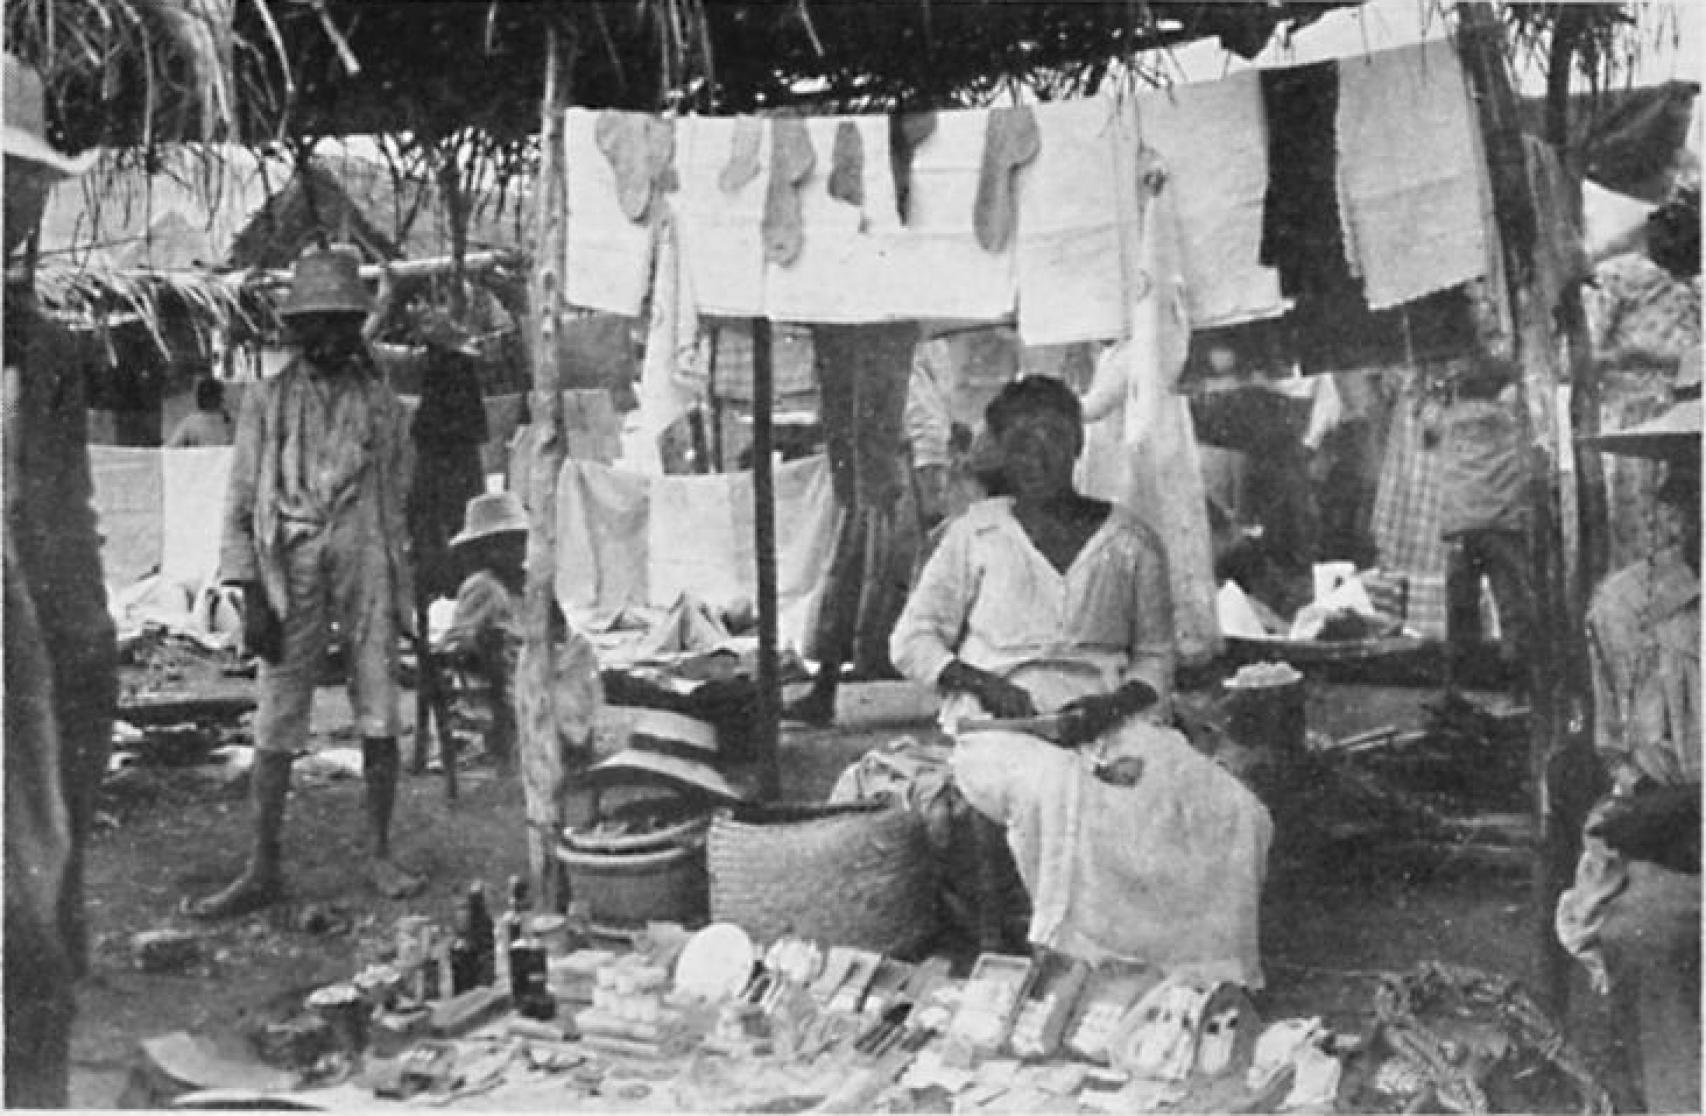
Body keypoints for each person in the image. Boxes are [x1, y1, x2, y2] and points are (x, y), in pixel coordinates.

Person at [890, 376, 1272, 984]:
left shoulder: (1131, 541)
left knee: (1229, 808)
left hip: (1108, 723)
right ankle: (1075, 964)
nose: (1037, 455)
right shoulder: (975, 534)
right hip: (1001, 734)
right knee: (1057, 791)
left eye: (1053, 437)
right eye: (1020, 442)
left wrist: (1109, 706)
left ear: (1078, 445)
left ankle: (1193, 967)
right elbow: (911, 641)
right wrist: (985, 683)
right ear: (1003, 455)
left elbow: (1154, 658)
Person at [189, 245, 421, 917]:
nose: (327, 337)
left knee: (378, 700)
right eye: (314, 323)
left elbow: (399, 488)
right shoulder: (265, 402)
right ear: (296, 328)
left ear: (354, 326)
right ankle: (262, 866)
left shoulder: (381, 403)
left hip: (366, 556)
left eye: (339, 324)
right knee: (278, 711)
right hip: (289, 564)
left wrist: (398, 568)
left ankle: (379, 853)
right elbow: (238, 505)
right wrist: (250, 594)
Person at [4, 50, 114, 1107]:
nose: (15, 207)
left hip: (31, 680)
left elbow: (70, 559)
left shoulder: (44, 357)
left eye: (23, 185)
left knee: (31, 953)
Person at [1557, 431, 1700, 1113]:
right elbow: (1620, 757)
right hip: (1680, 846)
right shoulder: (1628, 606)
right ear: (1680, 501)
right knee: (1644, 928)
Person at [437, 491, 600, 905]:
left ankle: (574, 742)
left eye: (516, 542)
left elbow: (551, 626)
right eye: (503, 544)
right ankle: (567, 744)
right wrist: (491, 646)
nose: (513, 551)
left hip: (528, 662)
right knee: (559, 680)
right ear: (485, 550)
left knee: (581, 656)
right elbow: (458, 641)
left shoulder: (521, 584)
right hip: (504, 676)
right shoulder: (483, 587)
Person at [1436, 358, 1535, 685]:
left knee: (1461, 601)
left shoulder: (1449, 421)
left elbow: (1425, 433)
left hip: (1460, 524)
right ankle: (1516, 670)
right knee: (1511, 598)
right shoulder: (1510, 421)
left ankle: (1462, 673)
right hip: (1502, 522)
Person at [166, 377, 235, 447]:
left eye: (214, 396)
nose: (210, 400)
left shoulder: (228, 421)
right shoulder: (190, 422)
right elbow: (171, 446)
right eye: (207, 397)